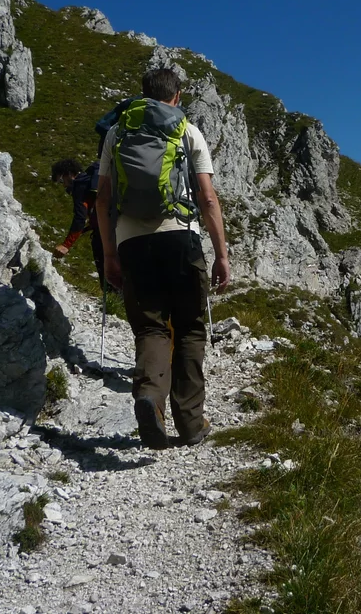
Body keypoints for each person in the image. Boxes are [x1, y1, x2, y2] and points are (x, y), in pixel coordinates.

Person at [96, 68, 230, 449]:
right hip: (181, 237)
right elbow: (207, 199)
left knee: (151, 328)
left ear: (143, 93)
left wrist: (109, 254)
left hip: (131, 243)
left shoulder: (117, 132)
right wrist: (221, 255)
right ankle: (190, 423)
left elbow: (103, 199)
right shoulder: (186, 129)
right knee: (189, 326)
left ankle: (150, 399)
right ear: (178, 95)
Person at [50, 157, 106, 292]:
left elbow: (80, 218)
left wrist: (66, 245)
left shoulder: (80, 185)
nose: (64, 185)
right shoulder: (92, 180)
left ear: (69, 174)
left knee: (105, 266)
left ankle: (112, 299)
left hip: (104, 232)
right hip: (121, 226)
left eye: (62, 180)